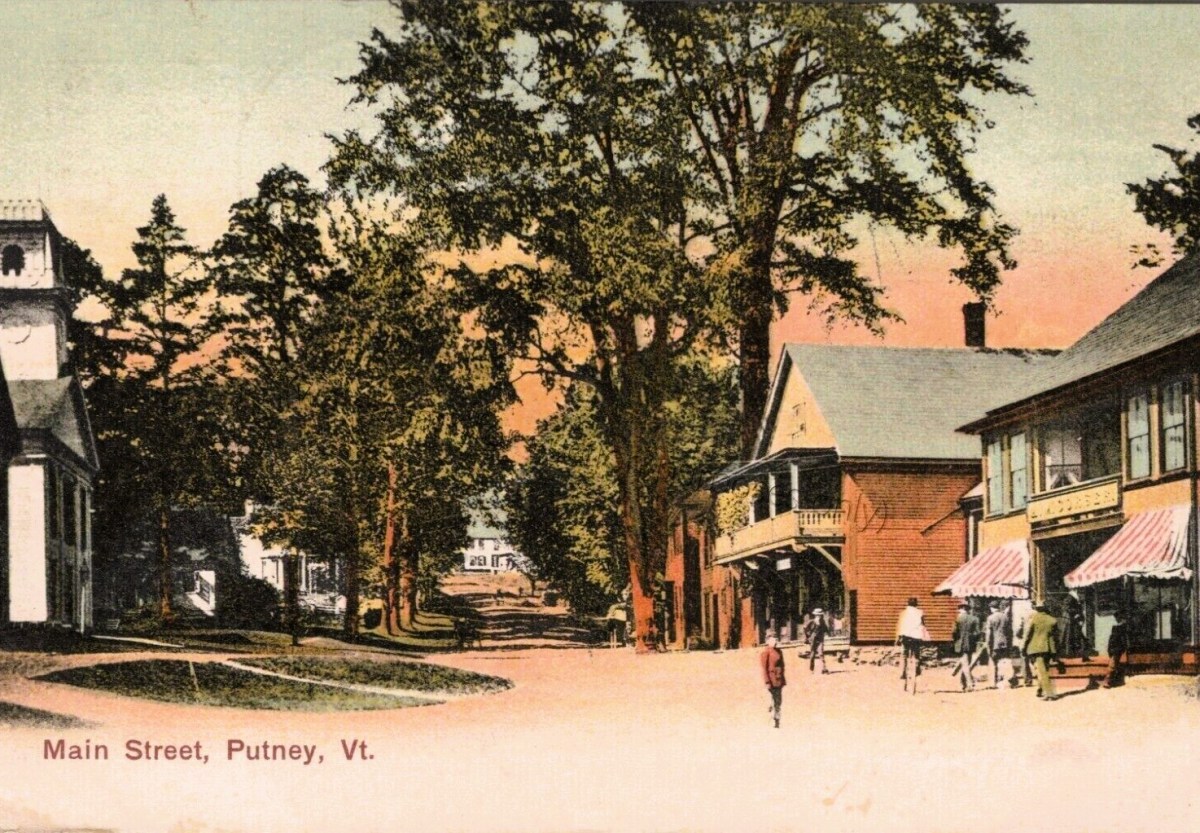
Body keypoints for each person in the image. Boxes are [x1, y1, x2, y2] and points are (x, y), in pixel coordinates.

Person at [1023, 601, 1059, 700]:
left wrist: (1024, 648)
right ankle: (1040, 689)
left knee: (1042, 671)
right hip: (1048, 649)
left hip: (1036, 648)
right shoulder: (1053, 620)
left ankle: (1049, 694)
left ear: (1037, 609)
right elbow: (1056, 638)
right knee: (1044, 669)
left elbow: (1027, 635)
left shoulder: (1033, 619)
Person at [895, 597, 926, 686]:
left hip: (905, 637)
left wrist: (898, 638)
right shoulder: (920, 613)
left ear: (907, 604)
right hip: (916, 637)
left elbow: (900, 626)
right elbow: (923, 625)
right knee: (917, 654)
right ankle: (917, 669)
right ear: (916, 604)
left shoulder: (903, 613)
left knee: (904, 654)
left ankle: (903, 672)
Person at [952, 602, 982, 691]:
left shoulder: (957, 619)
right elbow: (977, 633)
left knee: (965, 665)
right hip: (971, 644)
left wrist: (956, 640)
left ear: (961, 609)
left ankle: (970, 684)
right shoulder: (974, 619)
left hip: (960, 644)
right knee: (966, 663)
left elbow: (954, 632)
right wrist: (972, 639)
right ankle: (963, 684)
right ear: (967, 609)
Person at [985, 600, 1015, 688]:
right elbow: (1010, 632)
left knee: (993, 662)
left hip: (995, 644)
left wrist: (988, 644)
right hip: (1005, 643)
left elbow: (989, 633)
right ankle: (1006, 681)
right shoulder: (1005, 617)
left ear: (991, 608)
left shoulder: (990, 618)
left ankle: (993, 683)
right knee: (1004, 662)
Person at [760, 635, 786, 728]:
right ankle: (770, 720)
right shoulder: (765, 652)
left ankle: (777, 721)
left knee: (778, 701)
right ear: (768, 641)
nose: (775, 641)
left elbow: (783, 666)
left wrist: (783, 679)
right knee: (771, 701)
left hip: (779, 679)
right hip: (771, 680)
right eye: (773, 639)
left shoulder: (779, 651)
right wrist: (767, 682)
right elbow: (764, 668)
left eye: (776, 639)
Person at [1103, 609, 1130, 688]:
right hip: (1116, 648)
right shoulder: (1120, 627)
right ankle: (1107, 681)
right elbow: (1117, 639)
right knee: (1113, 664)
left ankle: (1111, 681)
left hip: (1116, 648)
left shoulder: (1117, 627)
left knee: (1114, 664)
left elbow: (1112, 639)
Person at [804, 607, 830, 674]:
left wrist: (829, 633)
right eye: (818, 615)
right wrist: (808, 636)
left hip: (820, 639)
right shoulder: (811, 621)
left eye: (820, 615)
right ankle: (811, 669)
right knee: (812, 654)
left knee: (821, 653)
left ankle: (823, 669)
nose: (819, 616)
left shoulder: (822, 622)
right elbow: (805, 628)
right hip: (813, 640)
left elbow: (826, 628)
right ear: (815, 615)